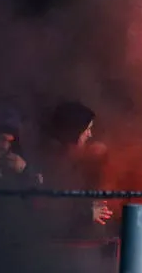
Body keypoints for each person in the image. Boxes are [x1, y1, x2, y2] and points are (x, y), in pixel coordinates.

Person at [39, 101, 113, 240]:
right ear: (73, 132)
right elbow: (50, 210)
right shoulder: (52, 162)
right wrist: (88, 213)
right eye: (87, 129)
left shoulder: (75, 161)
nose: (90, 134)